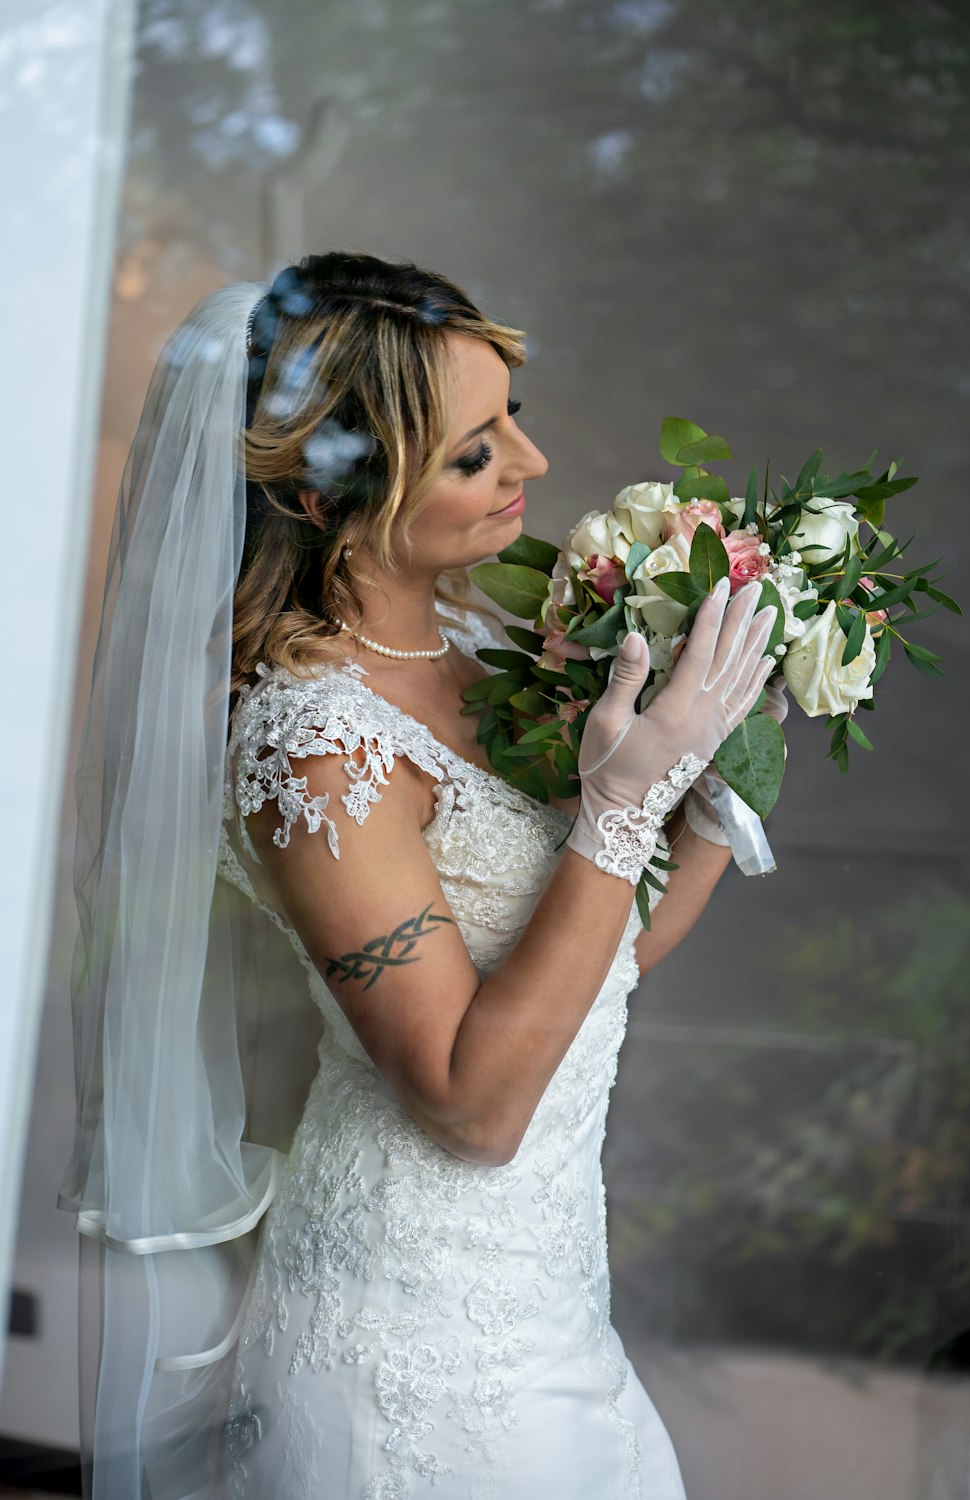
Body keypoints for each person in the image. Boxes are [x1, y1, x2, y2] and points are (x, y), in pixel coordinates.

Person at [60, 251, 778, 1500]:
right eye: (473, 453)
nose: (532, 467)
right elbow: (469, 1102)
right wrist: (619, 801)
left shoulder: (482, 640)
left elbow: (590, 973)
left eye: (515, 421)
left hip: (553, 1292)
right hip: (420, 1328)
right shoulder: (318, 749)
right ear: (336, 495)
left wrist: (711, 782)